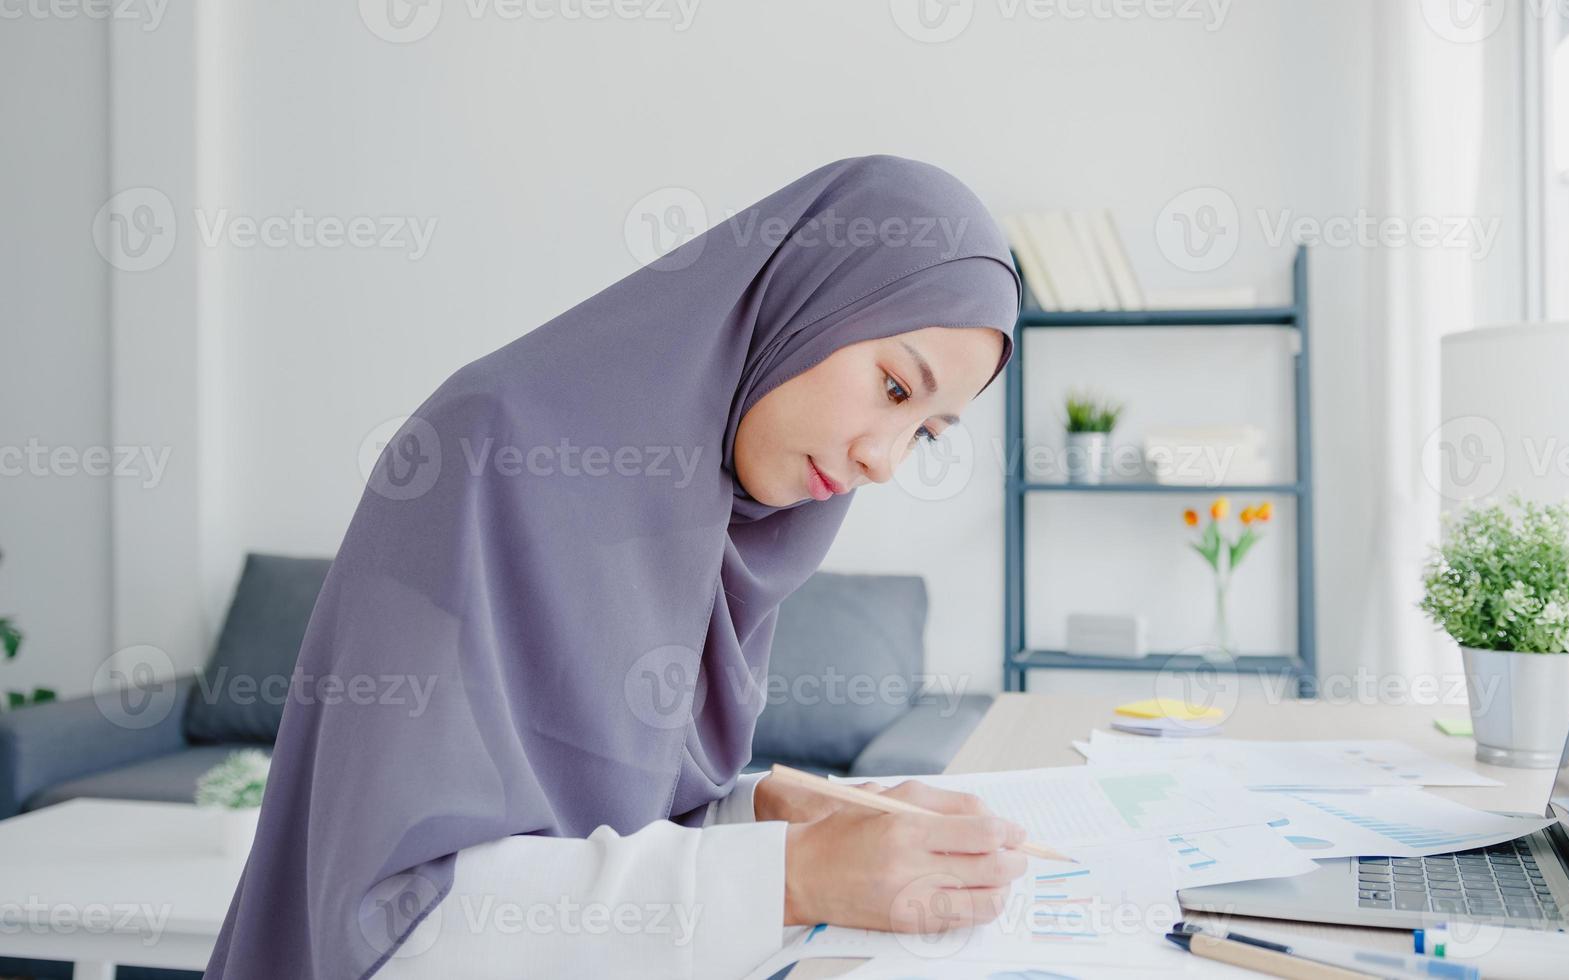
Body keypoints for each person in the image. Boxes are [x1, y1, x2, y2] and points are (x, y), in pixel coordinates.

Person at [203, 154, 1028, 979]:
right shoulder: (489, 447)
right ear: (807, 300)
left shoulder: (732, 524)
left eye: (927, 432)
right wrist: (796, 877)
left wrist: (769, 815)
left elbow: (619, 830)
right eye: (892, 387)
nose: (885, 461)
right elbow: (395, 925)